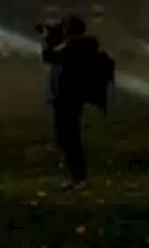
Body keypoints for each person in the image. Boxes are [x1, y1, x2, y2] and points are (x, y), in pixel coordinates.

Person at [40, 14, 107, 190]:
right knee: (66, 138)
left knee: (68, 138)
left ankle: (79, 177)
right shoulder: (79, 45)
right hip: (68, 98)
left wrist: (48, 39)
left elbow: (50, 57)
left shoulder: (75, 45)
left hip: (67, 98)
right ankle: (76, 177)